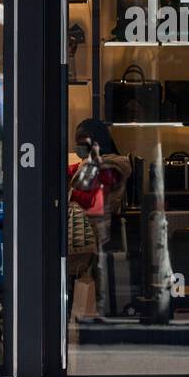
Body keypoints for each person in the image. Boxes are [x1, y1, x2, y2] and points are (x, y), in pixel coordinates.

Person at [67, 119, 132, 322]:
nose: (78, 147)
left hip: (93, 229)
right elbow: (79, 171)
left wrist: (70, 193)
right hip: (88, 228)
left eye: (81, 142)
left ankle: (87, 314)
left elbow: (94, 200)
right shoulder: (96, 162)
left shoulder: (107, 168)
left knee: (84, 275)